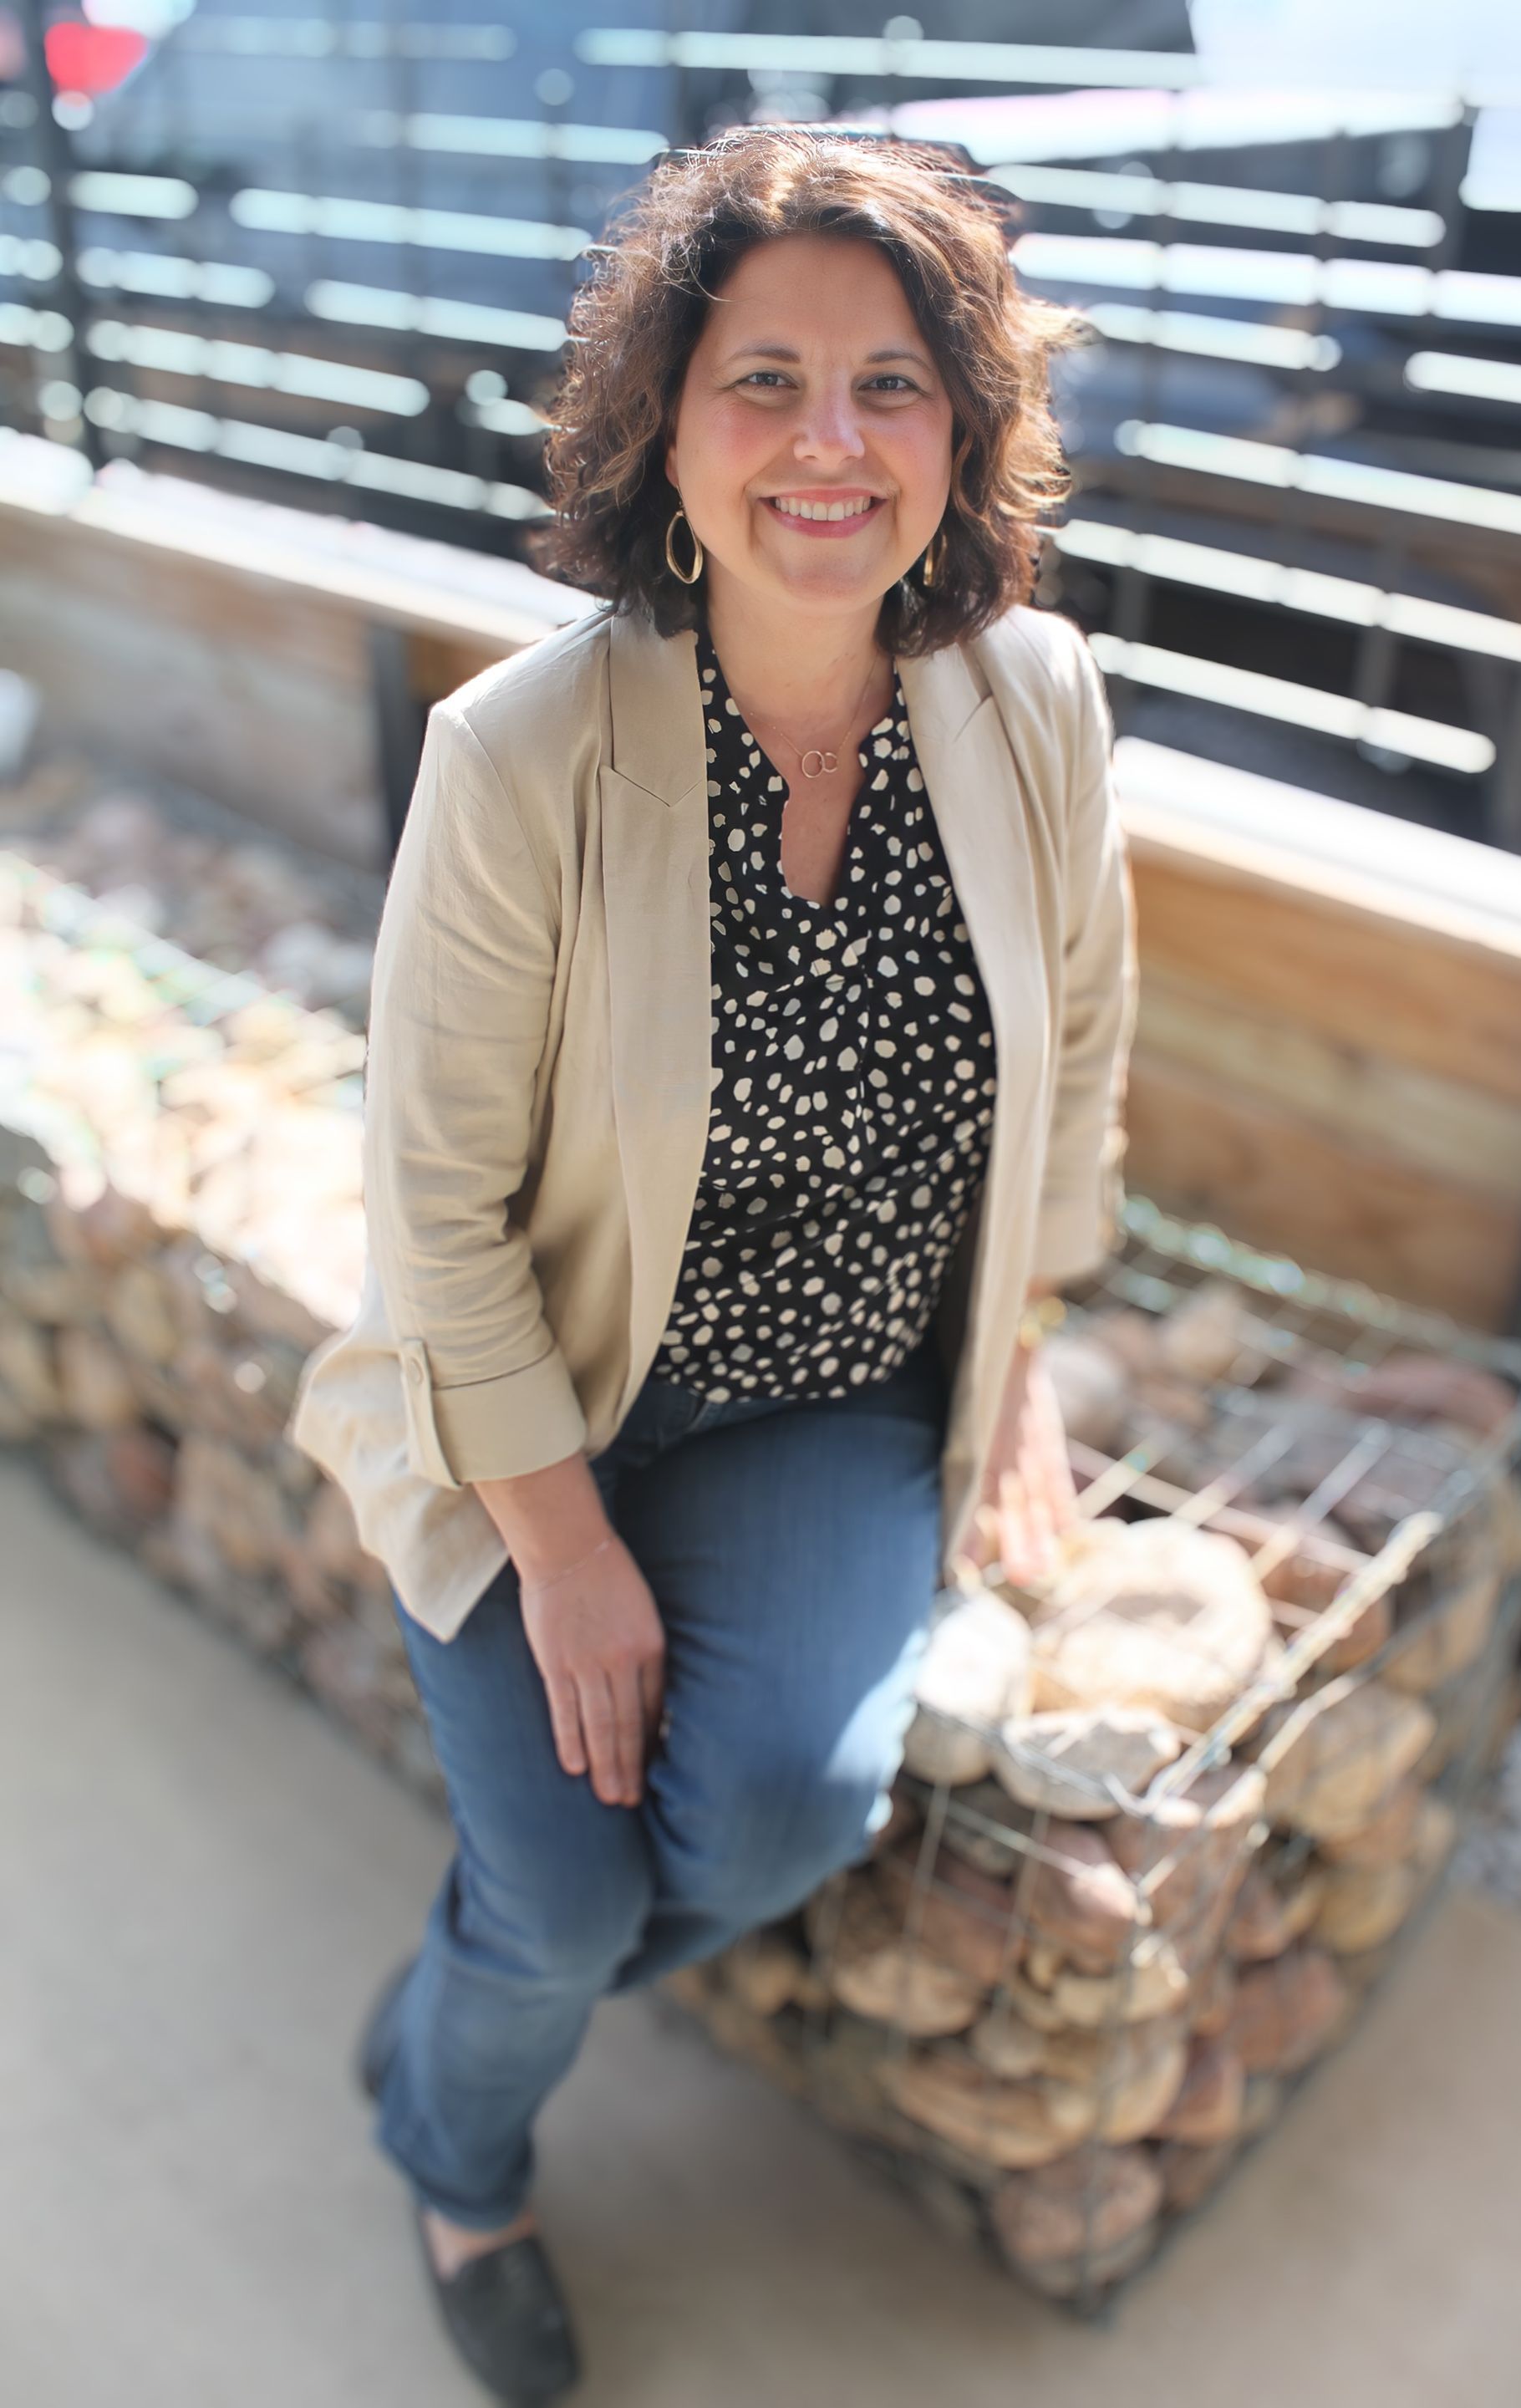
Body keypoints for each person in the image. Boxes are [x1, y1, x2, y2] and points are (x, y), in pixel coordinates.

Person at [289, 124, 1137, 2404]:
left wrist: (1024, 1341)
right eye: (762, 379)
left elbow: (1081, 1055)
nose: (830, 444)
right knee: (564, 1892)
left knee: (775, 1817)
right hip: (535, 1401)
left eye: (891, 383)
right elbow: (432, 1196)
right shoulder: (526, 751)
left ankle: (468, 1994)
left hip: (829, 1397)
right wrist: (558, 1548)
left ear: (962, 431)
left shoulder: (1036, 702)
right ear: (663, 419)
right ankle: (464, 2140)